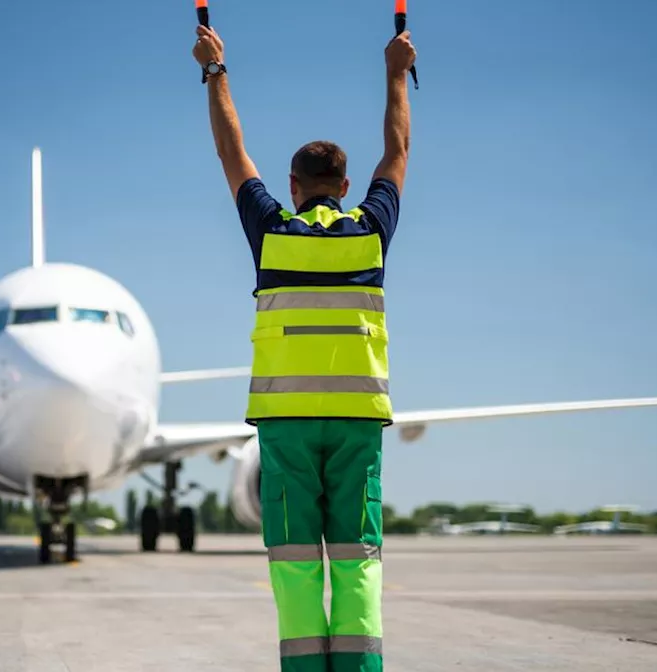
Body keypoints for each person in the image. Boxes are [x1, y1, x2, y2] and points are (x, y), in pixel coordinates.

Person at [193, 22, 416, 672]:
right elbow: (397, 151)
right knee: (357, 565)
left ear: (293, 185)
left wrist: (216, 70)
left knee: (295, 571)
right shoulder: (370, 232)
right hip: (357, 427)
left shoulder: (273, 234)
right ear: (346, 187)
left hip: (287, 429)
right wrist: (396, 72)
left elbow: (231, 152)